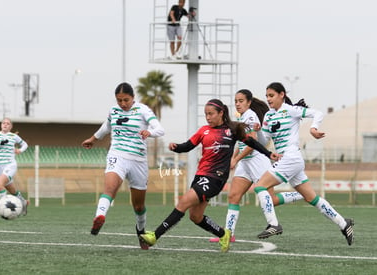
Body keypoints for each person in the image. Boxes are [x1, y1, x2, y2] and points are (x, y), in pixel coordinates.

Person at [140, 99, 279, 252]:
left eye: (211, 114)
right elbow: (188, 146)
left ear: (221, 113)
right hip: (201, 176)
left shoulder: (231, 130)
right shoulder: (203, 130)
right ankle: (223, 234)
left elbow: (252, 142)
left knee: (183, 202)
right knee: (196, 216)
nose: (208, 117)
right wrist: (176, 147)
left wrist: (268, 153)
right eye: (206, 114)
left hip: (216, 178)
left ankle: (154, 236)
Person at [254, 82, 354, 245]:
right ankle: (344, 223)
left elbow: (318, 113)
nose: (268, 99)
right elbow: (264, 140)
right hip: (288, 160)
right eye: (267, 96)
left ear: (282, 95)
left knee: (260, 186)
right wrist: (258, 130)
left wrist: (313, 128)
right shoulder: (268, 116)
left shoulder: (291, 110)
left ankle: (273, 224)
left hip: (290, 157)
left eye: (271, 95)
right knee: (312, 198)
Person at [209, 89, 303, 243]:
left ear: (249, 102)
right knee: (233, 196)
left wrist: (236, 159)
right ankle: (228, 234)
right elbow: (241, 143)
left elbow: (252, 144)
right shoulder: (241, 118)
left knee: (270, 200)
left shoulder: (251, 117)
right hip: (245, 163)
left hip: (258, 161)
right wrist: (234, 158)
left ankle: (301, 195)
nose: (238, 104)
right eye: (236, 101)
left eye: (241, 101)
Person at [82, 82, 165, 250]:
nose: (122, 104)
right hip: (117, 155)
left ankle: (141, 233)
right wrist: (93, 139)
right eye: (119, 100)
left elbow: (160, 129)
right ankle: (99, 217)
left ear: (133, 97)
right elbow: (107, 126)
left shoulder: (143, 110)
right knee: (110, 188)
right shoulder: (114, 111)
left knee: (138, 206)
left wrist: (150, 132)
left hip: (138, 161)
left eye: (126, 100)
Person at [0, 117, 29, 215]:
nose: (5, 124)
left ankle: (4, 207)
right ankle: (23, 202)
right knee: (11, 190)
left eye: (8, 123)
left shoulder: (13, 136)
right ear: (1, 124)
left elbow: (25, 144)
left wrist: (19, 150)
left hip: (10, 165)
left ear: (11, 126)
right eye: (3, 123)